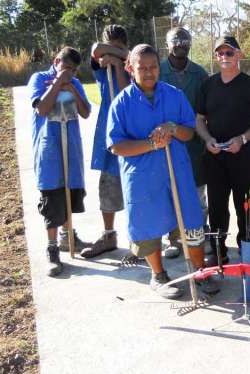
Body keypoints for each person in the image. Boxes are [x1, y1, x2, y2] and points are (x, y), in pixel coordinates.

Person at [107, 44, 218, 298]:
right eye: (142, 67)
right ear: (130, 68)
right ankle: (158, 276)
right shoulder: (121, 104)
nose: (148, 72)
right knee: (148, 227)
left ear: (160, 68)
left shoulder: (174, 95)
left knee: (191, 223)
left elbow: (189, 132)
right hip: (142, 178)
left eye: (153, 67)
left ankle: (199, 271)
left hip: (176, 172)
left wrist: (172, 127)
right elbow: (116, 146)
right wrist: (151, 144)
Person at [195, 36, 250, 267]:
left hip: (243, 157)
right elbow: (199, 119)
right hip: (215, 158)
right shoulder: (208, 84)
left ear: (239, 55)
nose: (224, 57)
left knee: (244, 207)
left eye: (229, 53)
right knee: (217, 207)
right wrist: (207, 140)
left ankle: (246, 250)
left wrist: (243, 139)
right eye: (220, 53)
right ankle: (218, 251)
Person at [28, 47, 92, 276]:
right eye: (67, 68)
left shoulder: (76, 83)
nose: (71, 74)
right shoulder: (39, 79)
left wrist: (72, 88)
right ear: (56, 62)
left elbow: (86, 112)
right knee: (52, 197)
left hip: (71, 148)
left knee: (69, 194)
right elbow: (42, 109)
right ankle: (52, 248)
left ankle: (68, 237)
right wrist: (57, 83)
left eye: (74, 70)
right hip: (49, 150)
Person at [159, 27, 209, 259]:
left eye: (185, 40)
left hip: (194, 144)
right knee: (169, 194)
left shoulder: (199, 74)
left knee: (198, 193)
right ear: (167, 44)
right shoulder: (156, 71)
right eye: (175, 40)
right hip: (165, 143)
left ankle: (199, 235)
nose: (181, 43)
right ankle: (174, 239)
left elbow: (206, 109)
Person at [81, 24, 130, 259]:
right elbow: (95, 49)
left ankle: (141, 239)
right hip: (108, 134)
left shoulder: (131, 67)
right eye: (108, 47)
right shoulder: (99, 67)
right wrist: (109, 54)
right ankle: (109, 235)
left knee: (134, 186)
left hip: (129, 133)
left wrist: (117, 61)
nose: (109, 53)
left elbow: (122, 92)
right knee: (108, 185)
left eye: (119, 48)